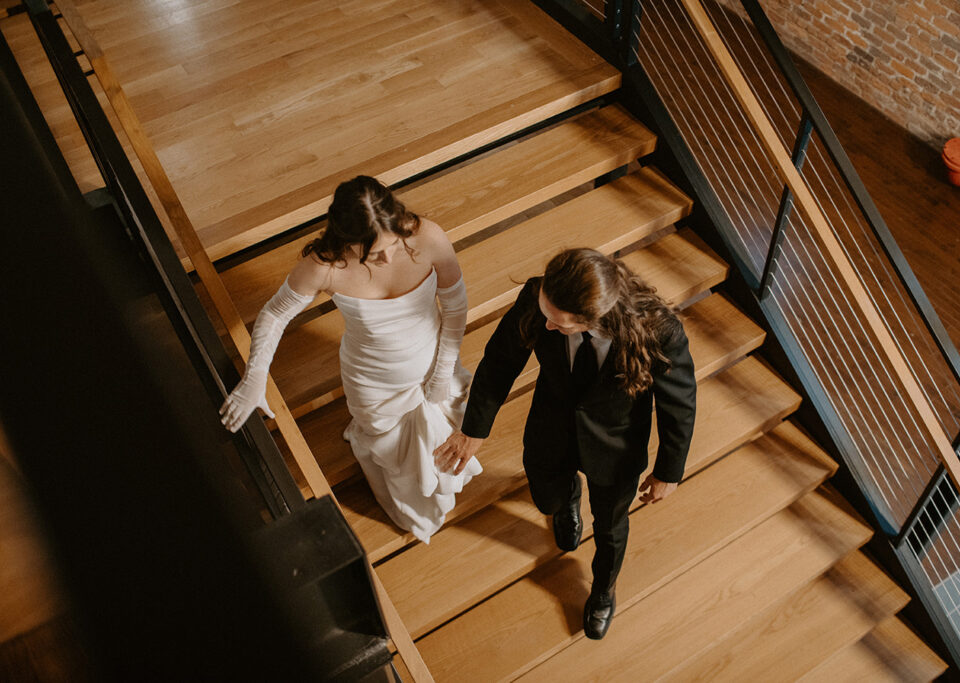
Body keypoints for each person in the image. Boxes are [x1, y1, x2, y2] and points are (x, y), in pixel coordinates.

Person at [434, 248, 696, 640]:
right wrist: (474, 429)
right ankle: (567, 500)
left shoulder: (660, 330)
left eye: (561, 324)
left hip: (616, 446)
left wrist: (668, 471)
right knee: (548, 500)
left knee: (610, 528)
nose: (548, 327)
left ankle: (603, 591)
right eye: (546, 315)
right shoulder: (539, 300)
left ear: (595, 317)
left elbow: (680, 405)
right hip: (551, 425)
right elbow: (500, 361)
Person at [220, 176, 481, 542]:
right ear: (347, 240)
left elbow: (454, 304)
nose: (388, 258)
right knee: (396, 462)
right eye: (373, 253)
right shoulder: (325, 266)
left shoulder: (427, 236)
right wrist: (255, 376)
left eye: (393, 244)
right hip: (374, 382)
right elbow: (275, 314)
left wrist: (441, 371)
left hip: (435, 359)